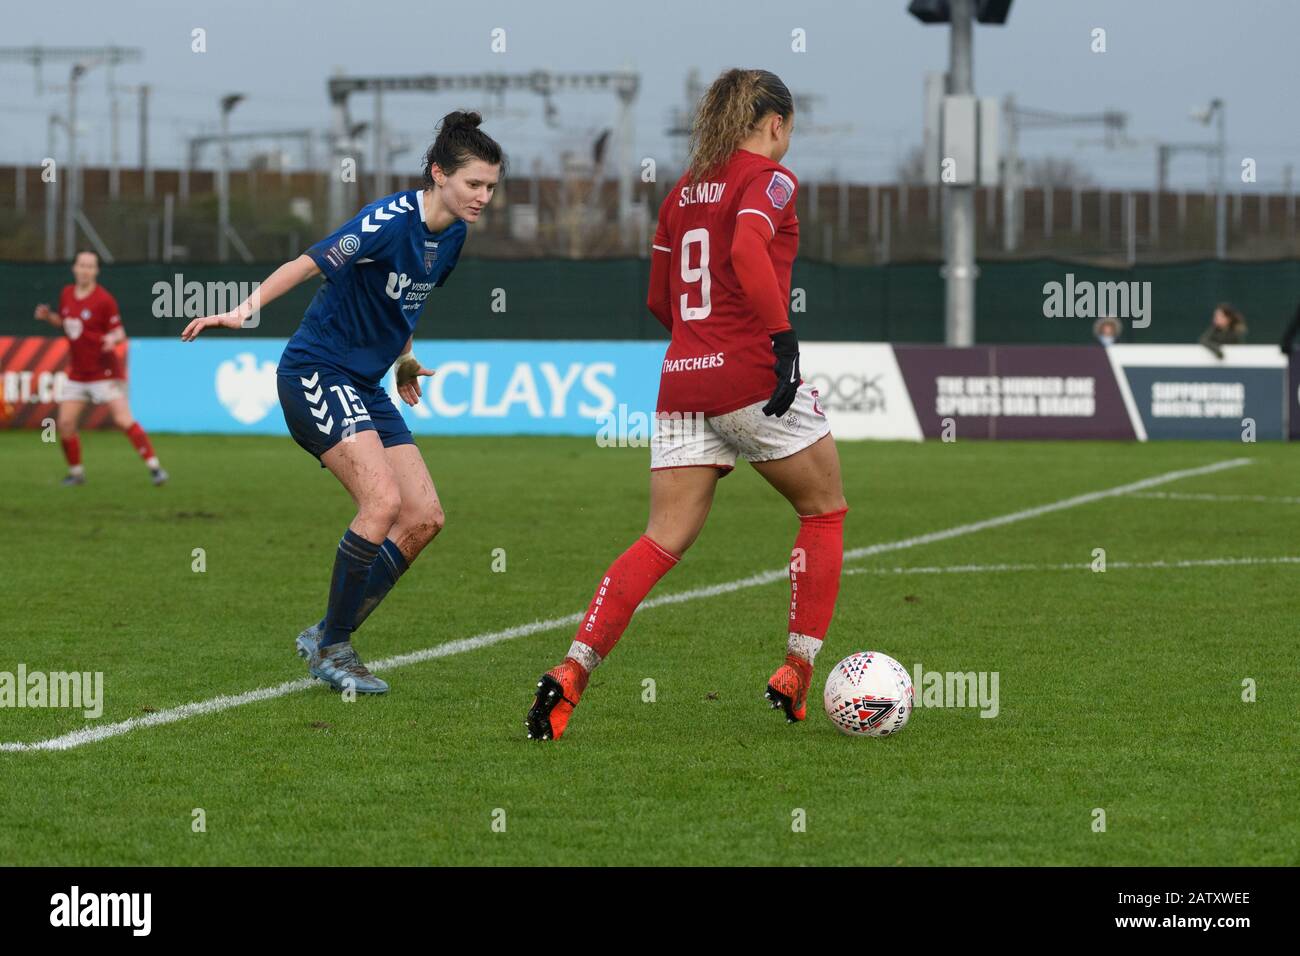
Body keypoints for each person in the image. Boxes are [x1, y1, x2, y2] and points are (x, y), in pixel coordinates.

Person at [526, 68, 848, 741]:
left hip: (681, 380)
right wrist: (782, 340)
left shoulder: (681, 192)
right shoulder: (771, 179)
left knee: (661, 538)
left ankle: (572, 672)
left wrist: (700, 345)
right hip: (750, 376)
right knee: (823, 511)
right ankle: (796, 669)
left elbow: (657, 299)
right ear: (776, 124)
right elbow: (744, 249)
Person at [181, 111, 503, 694]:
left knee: (424, 517)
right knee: (380, 503)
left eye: (490, 188)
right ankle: (334, 648)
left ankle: (327, 632)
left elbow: (404, 304)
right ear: (438, 174)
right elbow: (309, 262)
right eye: (474, 184)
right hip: (316, 371)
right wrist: (243, 309)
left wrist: (405, 359)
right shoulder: (386, 221)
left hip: (366, 382)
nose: (483, 197)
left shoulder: (452, 235)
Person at [33, 250, 168, 487]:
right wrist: (49, 317)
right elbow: (68, 326)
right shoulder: (66, 294)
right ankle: (76, 474)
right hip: (78, 373)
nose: (85, 269)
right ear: (74, 268)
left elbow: (119, 332)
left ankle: (155, 467)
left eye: (90, 266)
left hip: (105, 372)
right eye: (81, 265)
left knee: (123, 419)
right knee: (64, 424)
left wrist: (112, 340)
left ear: (96, 271)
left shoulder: (104, 300)